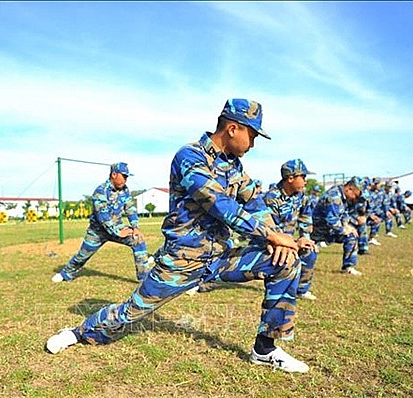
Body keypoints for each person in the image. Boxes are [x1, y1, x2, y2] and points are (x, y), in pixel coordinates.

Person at [46, 98, 310, 373]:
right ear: (233, 128)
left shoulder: (234, 166)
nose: (253, 144)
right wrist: (270, 234)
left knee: (286, 261)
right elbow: (218, 203)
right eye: (252, 135)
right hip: (184, 260)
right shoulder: (190, 156)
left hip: (221, 256)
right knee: (131, 312)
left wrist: (280, 237)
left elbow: (254, 202)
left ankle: (265, 349)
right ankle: (78, 333)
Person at [51, 162, 152, 283]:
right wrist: (117, 232)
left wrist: (135, 227)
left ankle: (144, 279)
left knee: (138, 239)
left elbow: (130, 208)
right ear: (114, 175)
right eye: (124, 176)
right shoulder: (100, 191)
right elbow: (103, 217)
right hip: (98, 232)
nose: (126, 179)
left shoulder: (125, 190)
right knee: (82, 256)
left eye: (127, 177)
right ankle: (66, 273)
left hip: (118, 228)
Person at [263, 159, 318, 300]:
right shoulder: (272, 198)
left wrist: (305, 237)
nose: (305, 181)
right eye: (303, 177)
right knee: (285, 257)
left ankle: (301, 290)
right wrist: (292, 243)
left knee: (309, 250)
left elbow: (305, 216)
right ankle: (278, 290)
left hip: (290, 240)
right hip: (271, 242)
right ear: (291, 178)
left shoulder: (300, 195)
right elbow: (270, 230)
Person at [311, 177, 365, 276]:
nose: (355, 199)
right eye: (355, 196)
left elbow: (343, 214)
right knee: (307, 252)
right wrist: (344, 230)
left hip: (330, 230)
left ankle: (348, 267)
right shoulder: (334, 197)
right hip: (318, 231)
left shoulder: (343, 196)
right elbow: (331, 221)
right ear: (349, 189)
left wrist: (347, 226)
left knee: (352, 236)